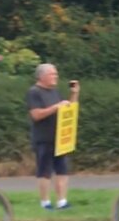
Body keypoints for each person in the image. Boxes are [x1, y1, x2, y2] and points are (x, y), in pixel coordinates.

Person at [26, 63, 79, 209]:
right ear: (41, 76)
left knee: (62, 170)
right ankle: (45, 202)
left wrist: (74, 94)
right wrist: (55, 107)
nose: (55, 77)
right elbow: (36, 114)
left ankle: (62, 201)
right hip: (44, 138)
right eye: (52, 74)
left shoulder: (55, 92)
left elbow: (69, 109)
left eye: (56, 74)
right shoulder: (34, 92)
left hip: (60, 138)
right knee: (45, 171)